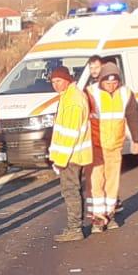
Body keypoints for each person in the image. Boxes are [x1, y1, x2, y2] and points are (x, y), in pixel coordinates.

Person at [45, 66, 92, 241]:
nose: (55, 85)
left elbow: (70, 134)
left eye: (58, 81)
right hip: (74, 154)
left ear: (67, 79)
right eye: (53, 82)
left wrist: (60, 160)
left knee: (70, 191)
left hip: (72, 156)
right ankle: (75, 226)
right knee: (74, 190)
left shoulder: (72, 100)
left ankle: (75, 229)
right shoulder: (68, 96)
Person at [87, 67, 131, 229]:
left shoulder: (125, 94)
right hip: (96, 146)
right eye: (108, 82)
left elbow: (133, 115)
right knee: (96, 181)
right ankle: (97, 217)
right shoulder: (91, 93)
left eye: (115, 82)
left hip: (115, 146)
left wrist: (137, 139)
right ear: (101, 81)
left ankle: (110, 214)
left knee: (112, 182)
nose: (112, 86)